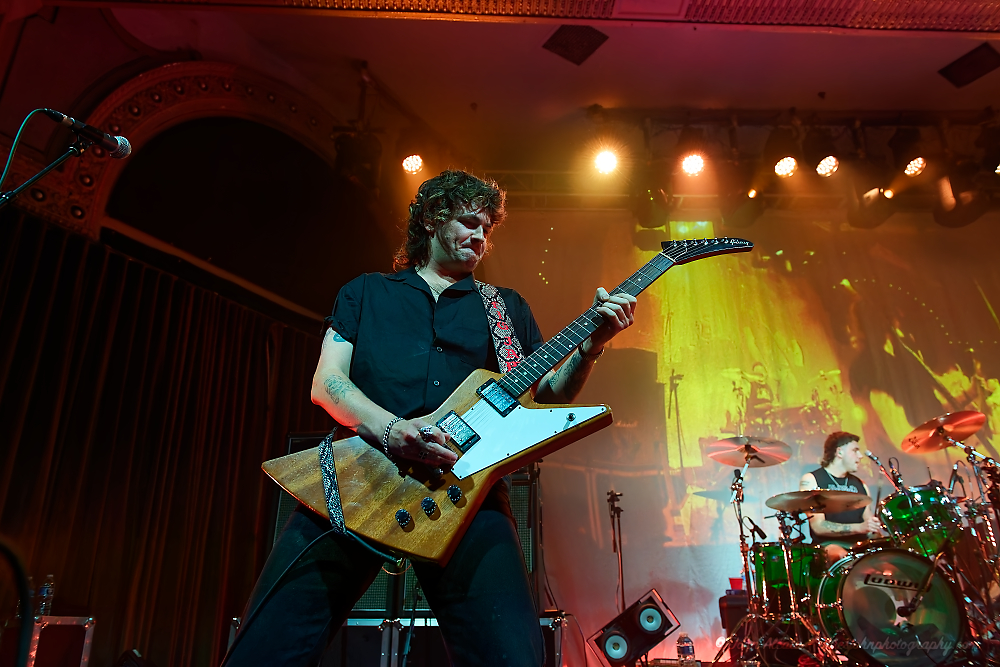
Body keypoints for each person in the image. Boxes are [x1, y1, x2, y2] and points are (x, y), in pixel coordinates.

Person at [223, 170, 637, 667]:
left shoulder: (504, 308)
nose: (481, 237)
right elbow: (327, 384)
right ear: (430, 219)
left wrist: (589, 349)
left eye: (488, 228)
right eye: (469, 222)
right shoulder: (366, 292)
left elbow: (547, 392)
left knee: (513, 658)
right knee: (266, 650)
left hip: (466, 488)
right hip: (358, 477)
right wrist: (393, 431)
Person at [799, 431, 882, 563]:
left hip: (862, 546)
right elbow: (818, 526)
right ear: (839, 452)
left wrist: (874, 529)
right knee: (842, 557)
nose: (860, 456)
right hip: (830, 546)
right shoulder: (812, 480)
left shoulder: (861, 485)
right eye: (855, 450)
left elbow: (869, 524)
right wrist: (859, 527)